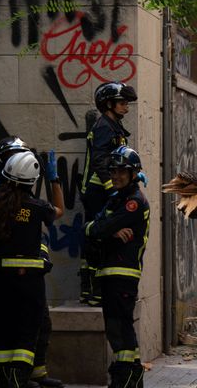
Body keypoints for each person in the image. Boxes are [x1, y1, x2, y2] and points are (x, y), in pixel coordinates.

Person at [0, 152, 64, 388]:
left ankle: (7, 381)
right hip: (28, 287)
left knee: (3, 336)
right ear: (32, 181)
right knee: (26, 337)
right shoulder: (37, 207)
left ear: (5, 176)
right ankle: (17, 380)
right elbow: (59, 211)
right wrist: (54, 180)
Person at [84, 146, 150, 388]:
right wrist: (107, 232)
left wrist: (103, 230)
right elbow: (92, 228)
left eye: (122, 171)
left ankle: (127, 377)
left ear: (133, 174)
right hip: (110, 272)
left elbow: (100, 228)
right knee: (116, 326)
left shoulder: (133, 202)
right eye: (113, 171)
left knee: (120, 326)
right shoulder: (116, 199)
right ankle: (129, 376)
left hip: (123, 273)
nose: (116, 176)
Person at [79, 81, 137, 306]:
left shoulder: (113, 126)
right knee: (98, 236)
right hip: (97, 191)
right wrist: (113, 189)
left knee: (100, 235)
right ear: (108, 103)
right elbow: (100, 160)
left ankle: (90, 291)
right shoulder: (104, 126)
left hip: (101, 190)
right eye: (122, 103)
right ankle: (94, 292)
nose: (126, 107)